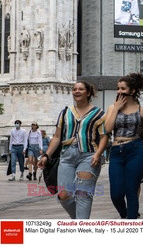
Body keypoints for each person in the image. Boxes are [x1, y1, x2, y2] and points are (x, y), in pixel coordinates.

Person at [38, 81, 108, 219]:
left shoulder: (99, 114)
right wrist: (46, 155)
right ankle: (79, 221)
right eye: (74, 89)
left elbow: (104, 137)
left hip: (89, 155)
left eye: (80, 89)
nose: (77, 91)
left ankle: (81, 227)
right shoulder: (65, 112)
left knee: (83, 194)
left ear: (88, 93)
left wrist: (98, 154)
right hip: (67, 156)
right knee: (63, 195)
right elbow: (57, 137)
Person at [104, 73, 143, 219]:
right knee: (116, 194)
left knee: (131, 190)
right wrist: (115, 109)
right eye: (118, 88)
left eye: (123, 88)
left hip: (136, 150)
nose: (119, 92)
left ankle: (131, 222)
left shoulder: (142, 110)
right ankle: (126, 215)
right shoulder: (112, 108)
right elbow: (107, 129)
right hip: (116, 152)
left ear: (132, 91)